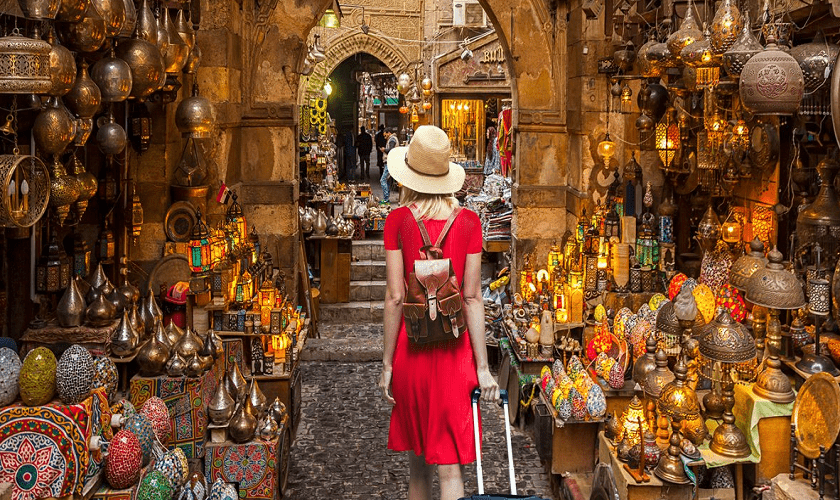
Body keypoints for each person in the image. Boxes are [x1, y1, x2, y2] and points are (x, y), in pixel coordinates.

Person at [378, 125, 499, 500]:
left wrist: (386, 365)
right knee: (450, 470)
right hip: (455, 355)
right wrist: (483, 367)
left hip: (411, 354)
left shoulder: (397, 221)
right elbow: (473, 297)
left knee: (417, 471)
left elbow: (396, 298)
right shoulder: (470, 223)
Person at [379, 128, 399, 204]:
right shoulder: (391, 139)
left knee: (383, 180)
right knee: (387, 181)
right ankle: (386, 198)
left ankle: (386, 199)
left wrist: (384, 150)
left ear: (389, 133)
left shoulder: (392, 139)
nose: (385, 136)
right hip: (389, 162)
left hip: (390, 162)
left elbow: (391, 150)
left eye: (385, 134)